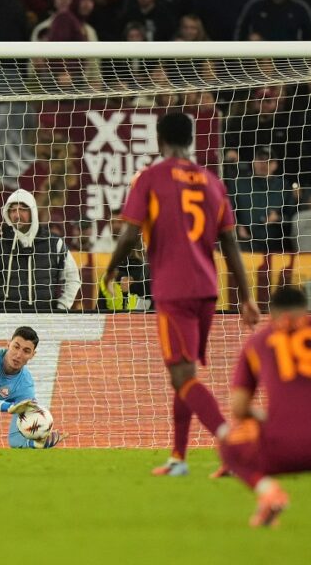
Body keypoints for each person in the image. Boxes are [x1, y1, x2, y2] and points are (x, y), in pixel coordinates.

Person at [103, 112, 260, 477]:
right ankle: (178, 457)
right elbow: (230, 244)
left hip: (173, 289)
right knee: (184, 373)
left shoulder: (150, 177)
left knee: (182, 376)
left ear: (159, 140)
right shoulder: (212, 182)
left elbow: (129, 234)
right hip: (207, 290)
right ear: (190, 140)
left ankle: (233, 444)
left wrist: (110, 269)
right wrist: (246, 296)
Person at [219, 285, 311, 527]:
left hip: (284, 447)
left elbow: (239, 408)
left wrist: (269, 419)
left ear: (272, 313)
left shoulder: (258, 341)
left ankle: (269, 493)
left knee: (228, 442)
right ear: (306, 310)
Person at [0, 188, 81, 313]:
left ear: (32, 212)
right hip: (6, 317)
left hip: (43, 317)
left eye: (22, 209)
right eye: (12, 210)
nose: (17, 215)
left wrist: (61, 308)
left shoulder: (54, 243)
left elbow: (73, 279)